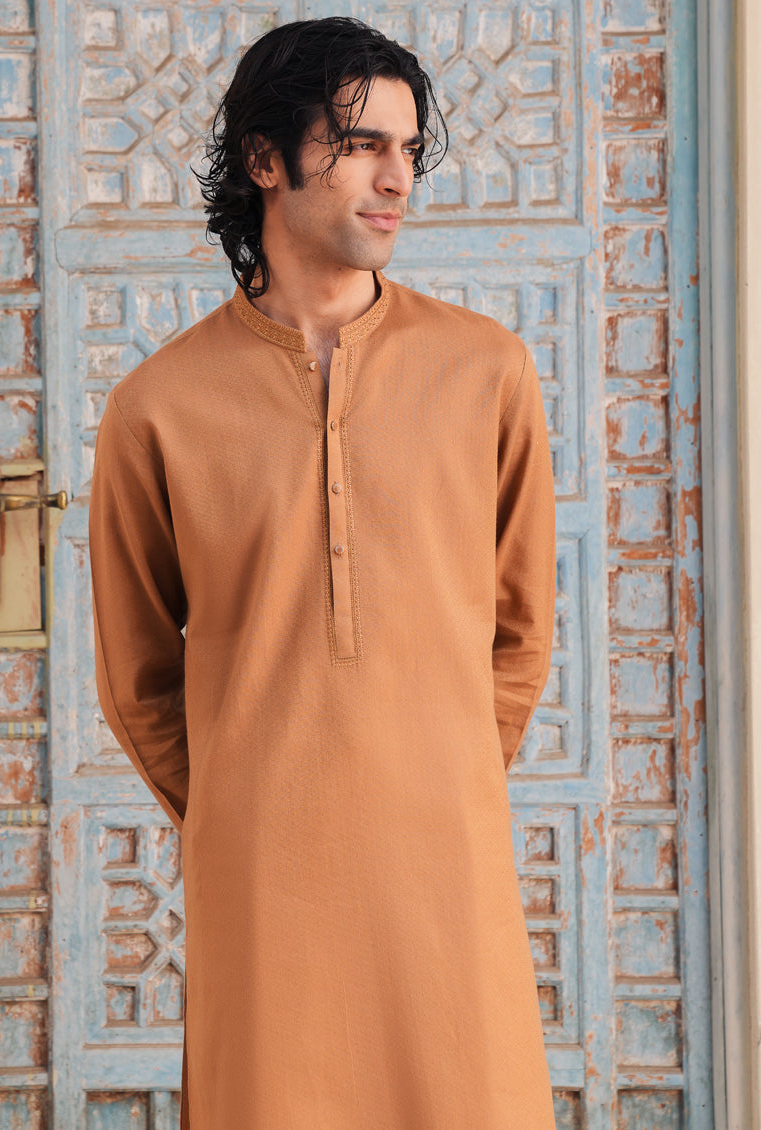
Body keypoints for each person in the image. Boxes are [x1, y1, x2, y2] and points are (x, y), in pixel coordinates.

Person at [89, 16, 557, 1130]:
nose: (397, 179)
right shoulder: (158, 407)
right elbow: (137, 678)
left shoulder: (486, 372)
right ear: (265, 158)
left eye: (408, 149)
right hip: (262, 880)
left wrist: (436, 775)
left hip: (446, 859)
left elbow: (521, 628)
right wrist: (248, 802)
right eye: (360, 146)